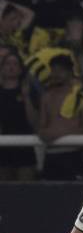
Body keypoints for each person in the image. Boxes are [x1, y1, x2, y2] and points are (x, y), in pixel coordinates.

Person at [38, 55, 83, 180]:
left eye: (60, 70)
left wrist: (59, 133)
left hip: (74, 154)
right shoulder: (46, 96)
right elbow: (41, 128)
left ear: (69, 72)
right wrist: (47, 134)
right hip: (51, 155)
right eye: (54, 70)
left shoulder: (81, 96)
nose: (56, 74)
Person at [0, 50, 38, 181]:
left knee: (25, 192)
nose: (11, 67)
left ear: (21, 69)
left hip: (25, 148)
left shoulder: (30, 92)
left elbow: (34, 122)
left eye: (15, 64)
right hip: (2, 148)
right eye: (7, 63)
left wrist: (26, 97)